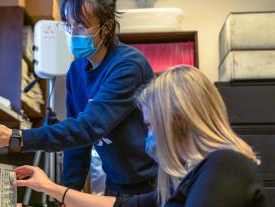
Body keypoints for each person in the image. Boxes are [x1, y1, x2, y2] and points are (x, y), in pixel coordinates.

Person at [0, 0, 157, 197]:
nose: (73, 33)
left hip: (149, 183)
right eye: (69, 25)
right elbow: (77, 141)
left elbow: (87, 129)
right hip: (116, 183)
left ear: (107, 27)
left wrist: (16, 138)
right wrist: (68, 192)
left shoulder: (128, 66)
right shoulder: (76, 71)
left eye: (81, 26)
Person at [13, 65, 268, 207]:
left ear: (176, 120)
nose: (148, 136)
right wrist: (48, 187)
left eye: (149, 125)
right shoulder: (189, 179)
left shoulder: (225, 165)